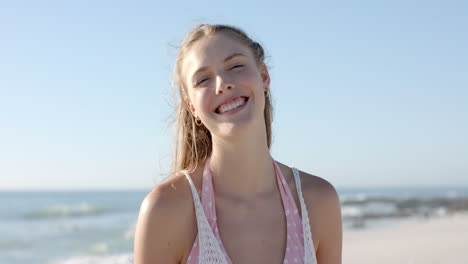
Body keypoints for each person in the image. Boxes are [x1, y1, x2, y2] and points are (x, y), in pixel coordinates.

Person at [134, 24, 342, 264]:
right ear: (193, 108)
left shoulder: (317, 201)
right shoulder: (167, 210)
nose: (222, 83)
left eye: (236, 66)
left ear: (263, 77)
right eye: (203, 79)